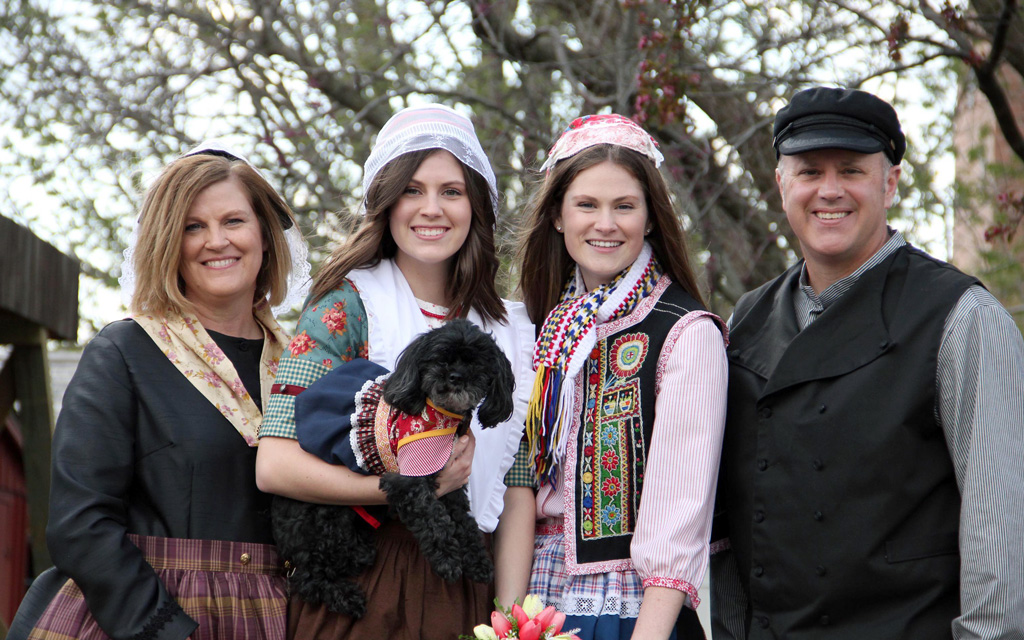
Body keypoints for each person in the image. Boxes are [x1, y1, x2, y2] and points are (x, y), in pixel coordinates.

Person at [709, 87, 1024, 639]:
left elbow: (1000, 527)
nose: (829, 191)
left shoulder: (962, 316)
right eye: (809, 171)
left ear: (891, 182)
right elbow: (729, 526)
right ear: (781, 184)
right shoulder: (745, 320)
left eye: (851, 169)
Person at [254, 103, 536, 640]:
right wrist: (407, 489)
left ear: (477, 205)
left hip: (469, 588)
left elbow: (516, 485)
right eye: (412, 189)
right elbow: (275, 463)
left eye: (451, 191)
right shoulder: (348, 304)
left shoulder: (512, 329)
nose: (431, 208)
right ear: (386, 201)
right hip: (369, 581)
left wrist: (512, 619)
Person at [7, 141, 310, 640]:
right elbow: (79, 524)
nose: (216, 241)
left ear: (263, 235)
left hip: (280, 619)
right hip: (149, 618)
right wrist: (166, 631)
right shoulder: (125, 351)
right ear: (168, 242)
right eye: (193, 226)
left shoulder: (306, 361)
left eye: (233, 221)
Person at [514, 113, 728, 640]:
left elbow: (681, 511)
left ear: (651, 218)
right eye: (586, 204)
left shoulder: (685, 333)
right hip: (538, 597)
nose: (604, 224)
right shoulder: (543, 329)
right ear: (558, 217)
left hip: (632, 609)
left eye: (624, 206)